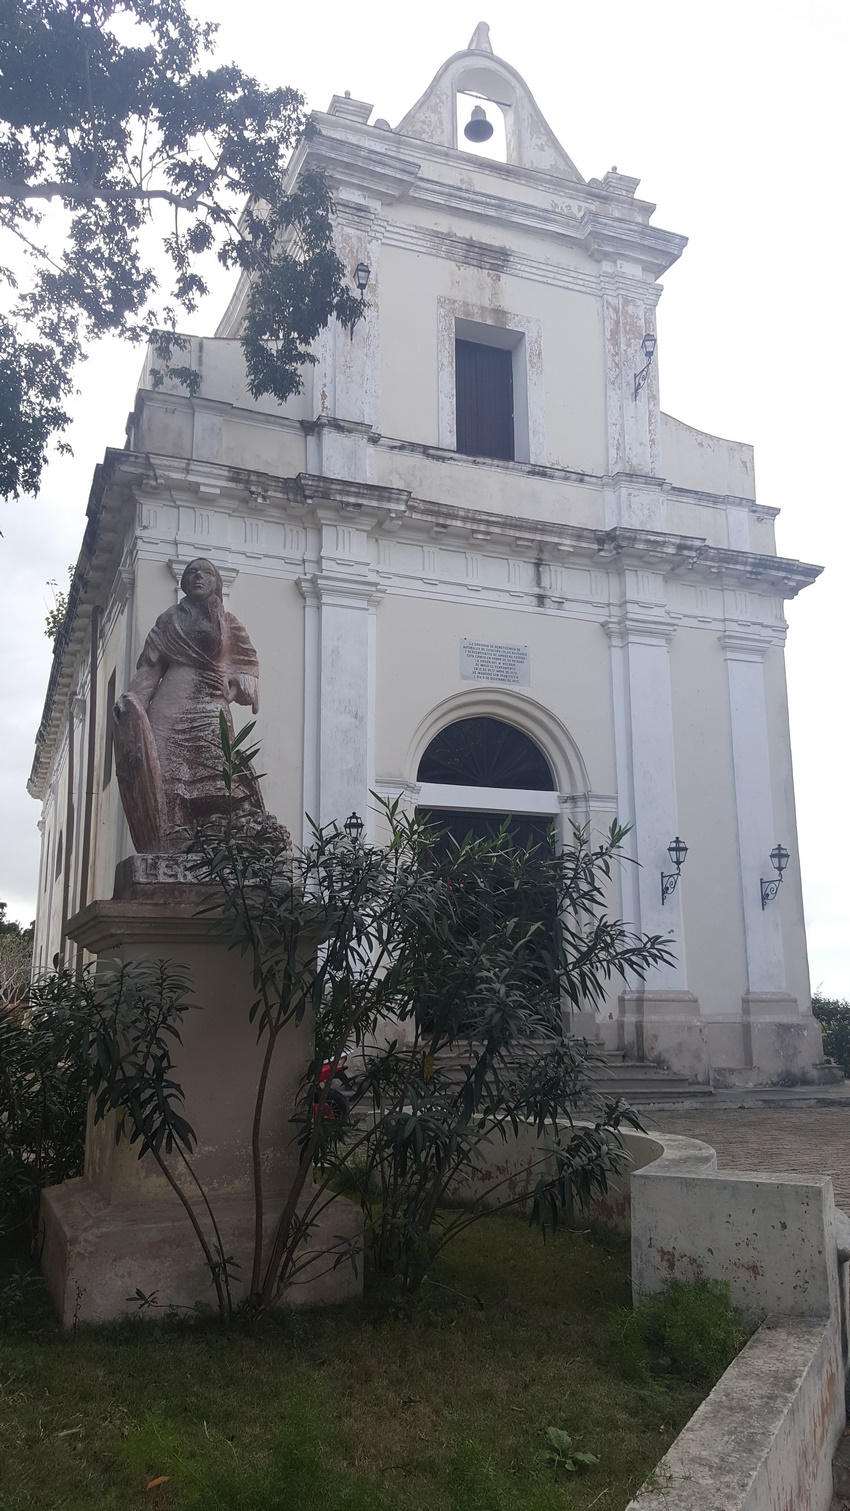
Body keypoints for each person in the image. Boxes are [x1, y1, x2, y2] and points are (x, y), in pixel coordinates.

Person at [113, 558, 271, 852]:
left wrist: (237, 683)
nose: (198, 577)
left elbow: (248, 663)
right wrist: (133, 703)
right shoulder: (168, 620)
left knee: (217, 772)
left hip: (211, 705)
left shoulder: (228, 622)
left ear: (216, 582)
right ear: (183, 582)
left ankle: (218, 844)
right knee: (167, 777)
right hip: (169, 707)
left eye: (206, 572)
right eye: (192, 573)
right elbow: (150, 668)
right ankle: (172, 842)